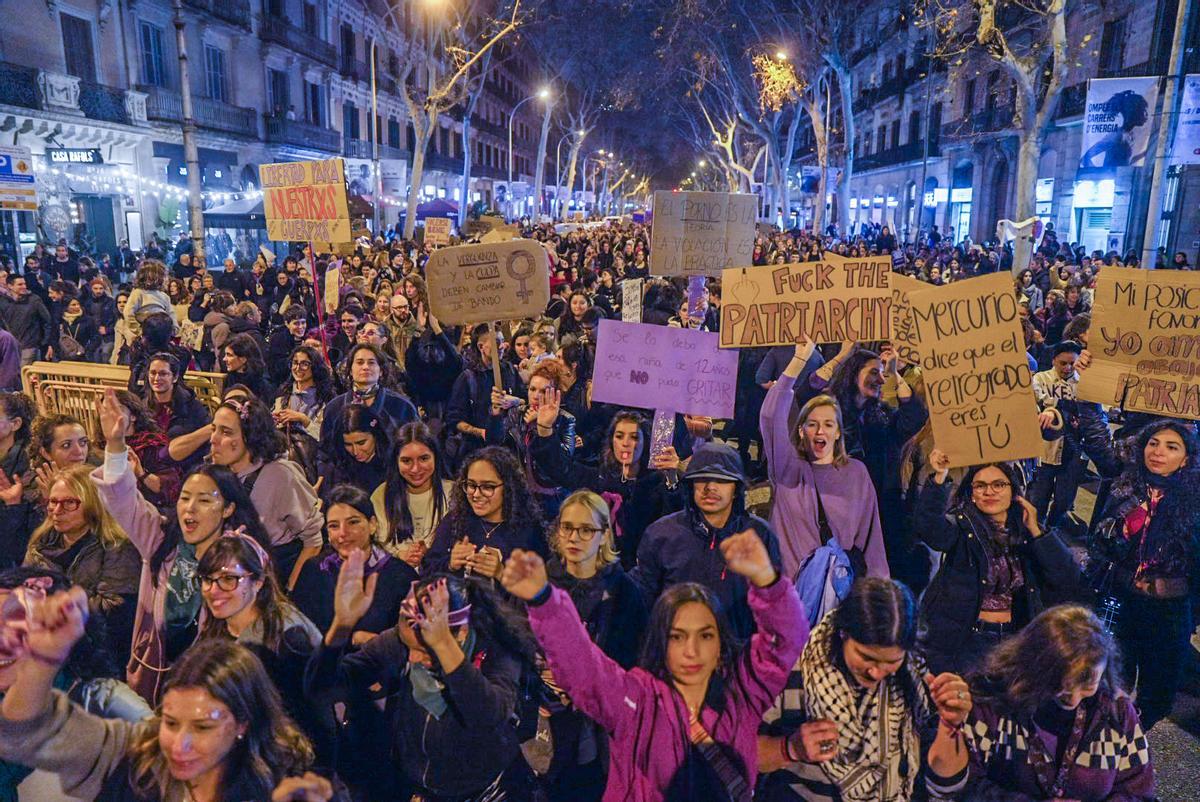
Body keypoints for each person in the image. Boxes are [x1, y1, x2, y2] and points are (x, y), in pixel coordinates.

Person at [504, 527, 805, 802]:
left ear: (721, 644)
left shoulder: (741, 695)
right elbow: (586, 671)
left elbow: (786, 640)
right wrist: (545, 600)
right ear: (661, 642)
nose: (691, 650)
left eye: (705, 635)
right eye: (677, 637)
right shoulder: (638, 701)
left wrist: (768, 580)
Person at [0, 598, 320, 801]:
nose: (178, 745)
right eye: (170, 722)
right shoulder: (139, 762)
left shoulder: (282, 786)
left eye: (202, 727)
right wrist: (42, 662)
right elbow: (26, 734)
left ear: (242, 724)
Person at [92, 388, 274, 703]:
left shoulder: (241, 557)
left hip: (213, 687)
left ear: (229, 508)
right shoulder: (162, 540)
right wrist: (116, 444)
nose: (189, 509)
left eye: (204, 500)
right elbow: (122, 500)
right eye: (185, 498)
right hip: (155, 677)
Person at [306, 555, 535, 800]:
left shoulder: (497, 649)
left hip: (486, 790)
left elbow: (488, 715)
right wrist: (341, 626)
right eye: (410, 648)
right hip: (418, 786)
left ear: (460, 634)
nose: (413, 659)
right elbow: (323, 690)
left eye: (425, 651)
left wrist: (444, 648)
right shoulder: (402, 641)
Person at [757, 578, 972, 802]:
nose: (876, 673)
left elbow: (946, 787)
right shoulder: (792, 670)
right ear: (843, 634)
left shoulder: (916, 680)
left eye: (891, 662)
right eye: (866, 657)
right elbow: (741, 755)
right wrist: (789, 749)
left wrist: (950, 725)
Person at [916, 449, 1083, 675]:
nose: (989, 492)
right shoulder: (963, 527)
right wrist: (939, 478)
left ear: (1014, 491)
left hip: (1014, 641)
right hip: (966, 641)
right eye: (980, 486)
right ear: (971, 493)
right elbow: (930, 528)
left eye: (998, 485)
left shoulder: (1027, 532)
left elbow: (1066, 575)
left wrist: (1036, 531)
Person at [964, 605, 1155, 800]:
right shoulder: (993, 703)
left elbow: (1140, 793)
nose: (1073, 697)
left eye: (1087, 683)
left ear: (1105, 671)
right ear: (1034, 664)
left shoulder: (1117, 714)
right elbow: (964, 785)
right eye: (1060, 685)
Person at [532, 490, 649, 800]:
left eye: (586, 530)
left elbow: (635, 663)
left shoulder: (624, 592)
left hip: (597, 728)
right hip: (545, 717)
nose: (575, 537)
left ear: (603, 535)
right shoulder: (539, 583)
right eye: (567, 528)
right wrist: (538, 674)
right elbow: (515, 646)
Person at [1086, 420, 1200, 730]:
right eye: (1154, 443)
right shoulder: (1125, 486)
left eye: (1171, 446)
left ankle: (1134, 734)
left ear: (1187, 458)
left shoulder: (1194, 500)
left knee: (1158, 694)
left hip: (1169, 612)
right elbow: (1096, 442)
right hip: (1120, 602)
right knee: (1109, 680)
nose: (1159, 451)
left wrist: (1192, 615)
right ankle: (1107, 738)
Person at [800, 342, 929, 591]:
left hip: (882, 510)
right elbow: (807, 391)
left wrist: (895, 373)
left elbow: (914, 417)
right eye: (873, 372)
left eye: (881, 374)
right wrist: (842, 355)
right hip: (838, 510)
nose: (880, 380)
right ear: (852, 373)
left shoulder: (882, 415)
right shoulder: (829, 413)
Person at [194, 530, 328, 764]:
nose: (213, 591)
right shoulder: (218, 629)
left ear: (258, 581)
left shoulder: (289, 638)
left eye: (228, 579)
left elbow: (316, 724)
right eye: (207, 579)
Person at [761, 339, 888, 584]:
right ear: (800, 431)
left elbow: (873, 545)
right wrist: (798, 361)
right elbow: (770, 416)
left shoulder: (856, 473)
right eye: (812, 424)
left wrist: (877, 598)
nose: (820, 432)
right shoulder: (788, 469)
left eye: (828, 424)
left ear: (839, 432)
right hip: (792, 599)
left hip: (839, 599)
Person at [632, 441, 782, 638]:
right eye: (701, 479)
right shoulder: (661, 534)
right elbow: (640, 605)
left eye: (721, 480)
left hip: (738, 658)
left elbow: (773, 603)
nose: (710, 487)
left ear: (736, 488)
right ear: (690, 485)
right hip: (677, 655)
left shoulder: (758, 535)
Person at [529, 408, 683, 569]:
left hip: (644, 571)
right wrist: (545, 429)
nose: (625, 443)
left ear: (646, 443)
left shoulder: (656, 483)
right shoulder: (599, 479)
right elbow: (560, 469)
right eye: (619, 436)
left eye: (635, 437)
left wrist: (672, 478)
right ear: (611, 442)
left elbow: (674, 520)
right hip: (602, 570)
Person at [207, 396, 324, 588]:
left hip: (271, 581)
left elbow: (313, 540)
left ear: (249, 436)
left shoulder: (280, 474)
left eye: (226, 432)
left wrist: (289, 592)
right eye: (214, 429)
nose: (213, 439)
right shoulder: (213, 474)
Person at [293, 484, 415, 636]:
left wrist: (380, 644)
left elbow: (412, 636)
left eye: (353, 522)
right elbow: (301, 632)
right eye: (334, 526)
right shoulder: (314, 570)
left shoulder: (402, 576)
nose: (343, 533)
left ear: (372, 525)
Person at [422, 446, 549, 578]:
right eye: (471, 485)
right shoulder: (455, 520)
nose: (476, 494)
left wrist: (501, 574)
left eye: (487, 487)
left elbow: (542, 591)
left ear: (509, 488)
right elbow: (426, 572)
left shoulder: (530, 531)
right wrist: (450, 565)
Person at [318, 343, 418, 480]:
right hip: (346, 482)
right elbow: (325, 452)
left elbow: (416, 447)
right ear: (350, 370)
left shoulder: (402, 406)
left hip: (391, 480)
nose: (365, 367)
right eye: (359, 362)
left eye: (371, 363)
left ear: (381, 370)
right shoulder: (334, 408)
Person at [373, 421, 453, 568]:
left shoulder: (454, 493)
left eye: (424, 458)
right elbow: (374, 547)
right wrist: (399, 556)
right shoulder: (380, 495)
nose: (415, 469)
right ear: (396, 462)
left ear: (435, 456)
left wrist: (431, 552)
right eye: (406, 461)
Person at [326, 403, 392, 496]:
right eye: (348, 444)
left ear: (375, 435)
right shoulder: (338, 466)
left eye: (361, 443)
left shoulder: (394, 464)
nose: (355, 452)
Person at [0, 274, 54, 364]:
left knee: (25, 373)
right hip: (10, 346)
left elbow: (47, 321)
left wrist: (45, 341)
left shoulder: (34, 300)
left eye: (24, 284)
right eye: (20, 284)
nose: (24, 286)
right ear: (10, 286)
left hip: (30, 345)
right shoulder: (3, 301)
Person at [222, 332, 272, 402]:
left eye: (229, 355)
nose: (224, 359)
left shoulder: (261, 384)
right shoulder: (229, 379)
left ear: (243, 359)